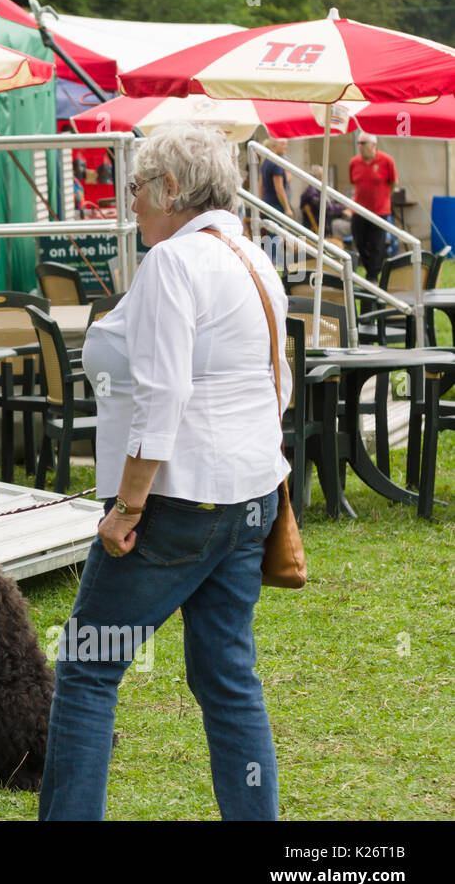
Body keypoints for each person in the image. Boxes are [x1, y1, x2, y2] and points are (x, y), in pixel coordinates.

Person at [39, 122, 289, 821]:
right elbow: (280, 379)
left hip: (177, 500)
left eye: (137, 192)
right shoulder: (251, 256)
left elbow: (166, 393)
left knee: (87, 668)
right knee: (228, 677)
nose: (132, 208)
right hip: (249, 494)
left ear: (171, 188)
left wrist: (127, 504)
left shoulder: (175, 263)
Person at [349, 132, 398, 281]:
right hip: (359, 210)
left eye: (363, 143)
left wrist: (384, 199)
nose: (360, 147)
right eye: (358, 143)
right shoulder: (354, 162)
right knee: (360, 242)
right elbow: (353, 183)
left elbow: (393, 182)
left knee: (377, 244)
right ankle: (370, 270)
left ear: (373, 145)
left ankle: (372, 276)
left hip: (379, 210)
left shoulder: (386, 160)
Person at [299, 164, 352, 240]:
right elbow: (328, 209)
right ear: (319, 177)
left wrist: (343, 209)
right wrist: (344, 208)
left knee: (354, 222)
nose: (326, 178)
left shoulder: (317, 190)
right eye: (324, 175)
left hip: (327, 223)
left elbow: (330, 206)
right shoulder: (312, 193)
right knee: (355, 226)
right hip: (325, 227)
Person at [259, 137, 293, 218]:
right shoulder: (276, 163)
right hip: (275, 206)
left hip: (267, 203)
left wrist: (260, 202)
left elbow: (260, 185)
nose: (286, 147)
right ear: (274, 146)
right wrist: (287, 208)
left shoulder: (265, 162)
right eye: (282, 144)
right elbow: (279, 189)